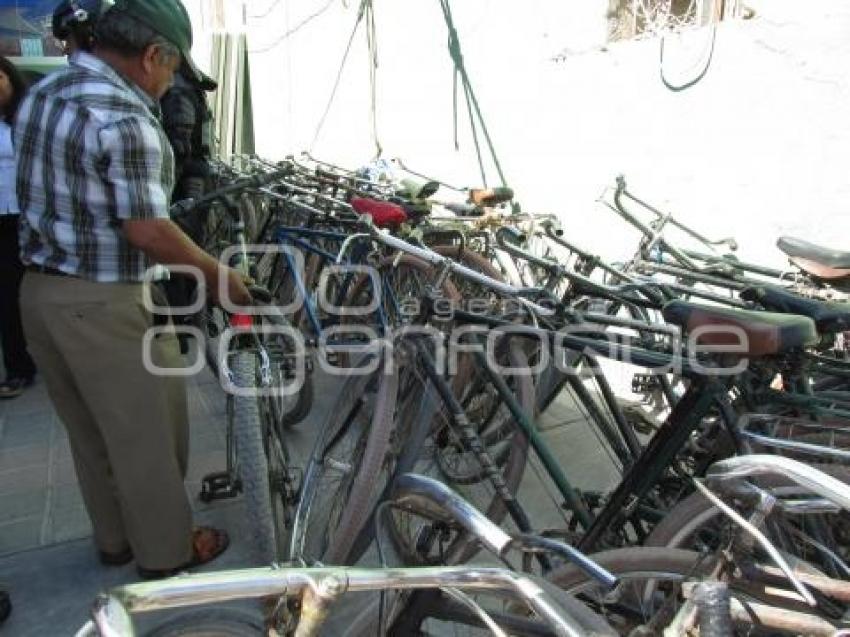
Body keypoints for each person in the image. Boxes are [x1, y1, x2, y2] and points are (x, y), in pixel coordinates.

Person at [15, 0, 252, 578]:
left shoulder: (44, 94)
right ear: (152, 55)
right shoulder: (123, 117)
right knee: (146, 435)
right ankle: (166, 556)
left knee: (91, 434)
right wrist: (218, 276)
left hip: (41, 295)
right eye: (172, 69)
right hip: (103, 300)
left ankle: (115, 541)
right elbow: (147, 228)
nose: (170, 83)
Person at [0, 56, 36, 399]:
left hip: (31, 216)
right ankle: (18, 368)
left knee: (37, 291)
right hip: (2, 221)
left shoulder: (30, 118)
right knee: (7, 297)